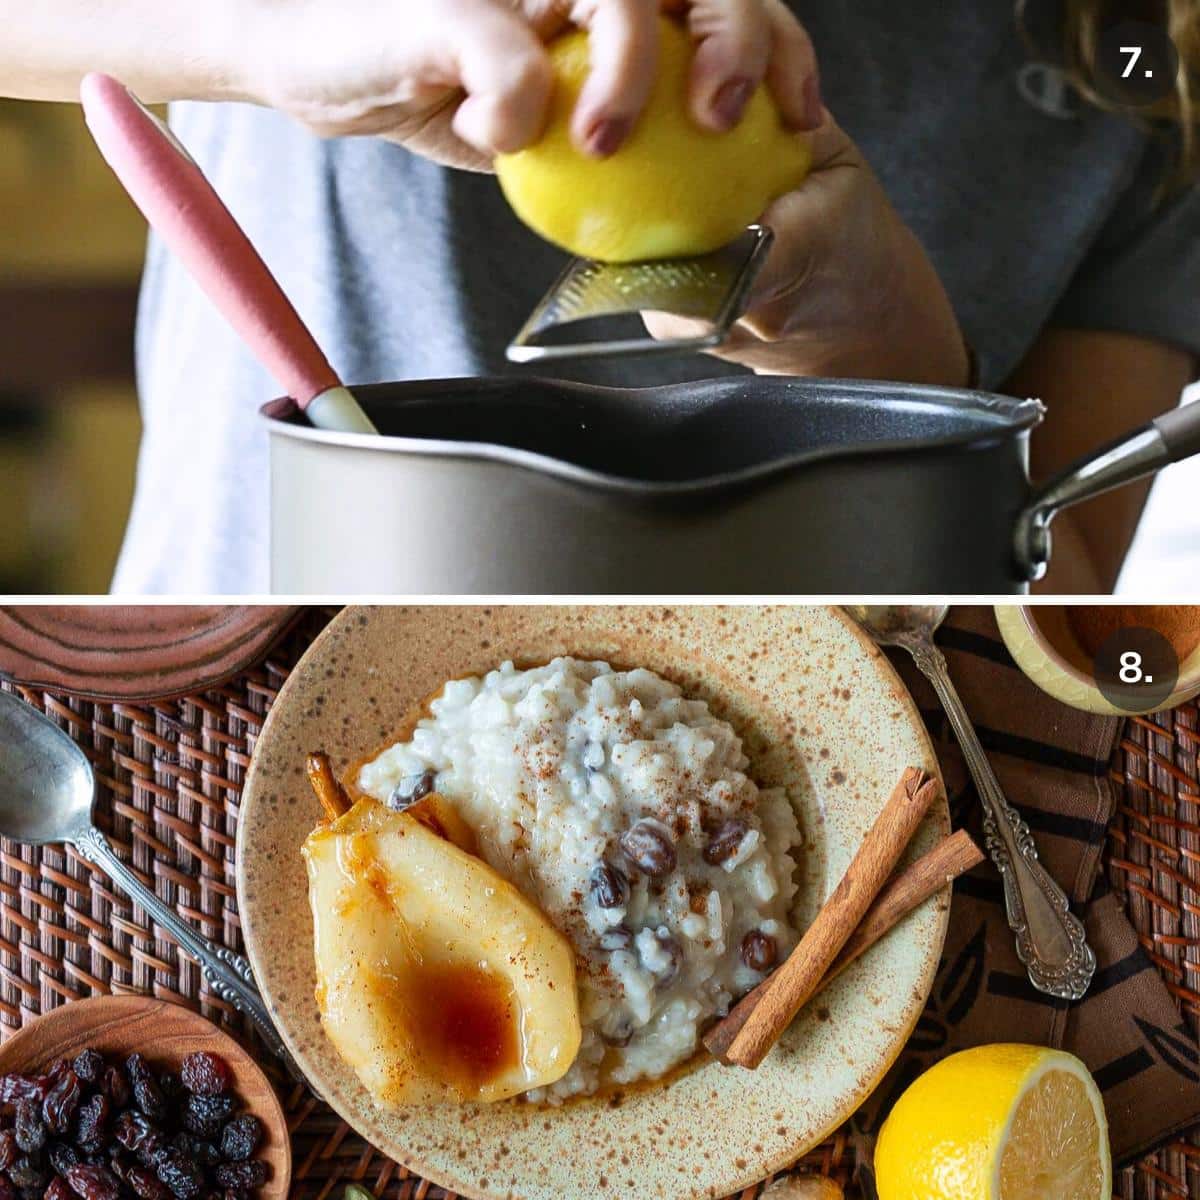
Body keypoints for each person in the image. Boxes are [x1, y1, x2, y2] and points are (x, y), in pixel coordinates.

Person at [5, 0, 1199, 594]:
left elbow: (1056, 589)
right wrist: (269, 34)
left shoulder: (1155, 66)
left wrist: (874, 351)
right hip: (246, 654)